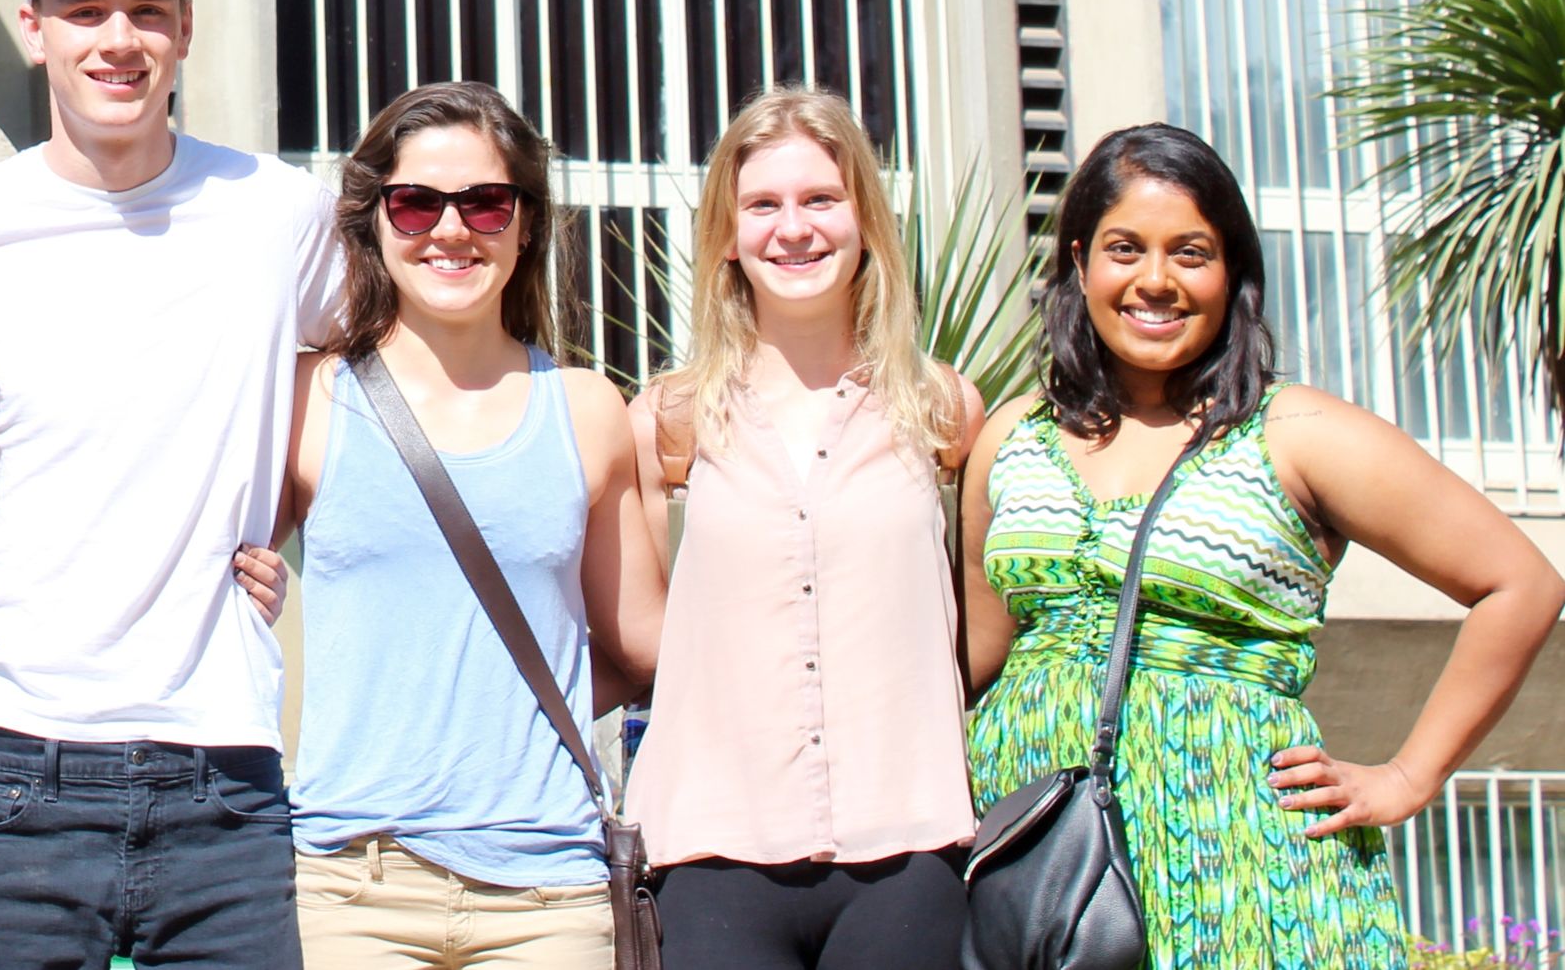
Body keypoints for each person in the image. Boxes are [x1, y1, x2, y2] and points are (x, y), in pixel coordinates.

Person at [964, 123, 1565, 970]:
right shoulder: (1012, 437)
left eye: (1192, 254)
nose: (1156, 281)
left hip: (1247, 865)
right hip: (1043, 869)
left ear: (1233, 272)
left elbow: (1521, 583)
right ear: (1078, 263)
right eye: (1125, 249)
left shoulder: (1297, 432)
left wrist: (1407, 777)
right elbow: (970, 659)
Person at [0, 0, 338, 970]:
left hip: (224, 762)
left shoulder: (277, 210)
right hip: (14, 759)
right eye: (86, 9)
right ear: (33, 31)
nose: (120, 39)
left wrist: (285, 507)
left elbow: (358, 358)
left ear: (186, 31)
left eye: (149, 10)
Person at [281, 81, 663, 970]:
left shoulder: (588, 410)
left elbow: (646, 644)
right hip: (353, 887)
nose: (450, 230)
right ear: (374, 218)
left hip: (551, 893)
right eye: (416, 203)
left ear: (526, 222)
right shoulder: (310, 398)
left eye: (486, 202)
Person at [623, 86, 981, 970]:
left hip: (909, 851)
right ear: (729, 235)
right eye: (764, 206)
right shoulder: (670, 419)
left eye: (821, 200)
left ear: (864, 220)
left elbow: (977, 627)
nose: (795, 229)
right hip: (713, 854)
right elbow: (639, 634)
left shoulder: (941, 409)